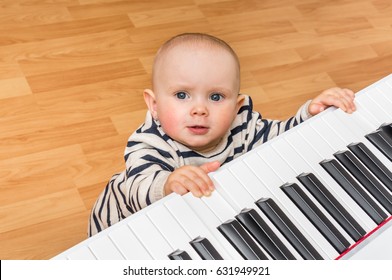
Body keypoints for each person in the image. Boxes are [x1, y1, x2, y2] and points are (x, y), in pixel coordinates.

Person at [88, 33, 356, 236]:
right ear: (154, 104)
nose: (200, 109)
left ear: (236, 105)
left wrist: (309, 115)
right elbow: (139, 186)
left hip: (196, 216)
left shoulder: (243, 125)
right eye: (182, 95)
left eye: (216, 97)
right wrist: (168, 182)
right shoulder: (149, 142)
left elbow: (278, 139)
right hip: (123, 222)